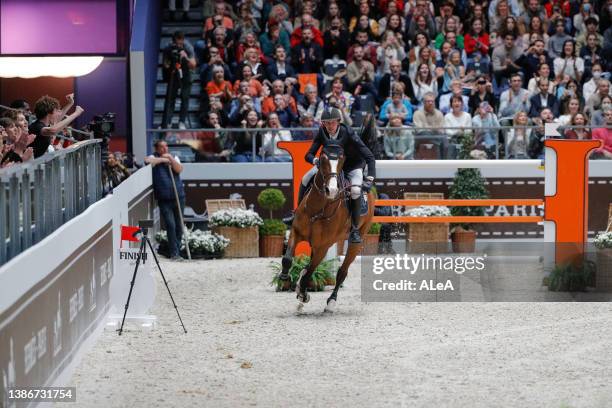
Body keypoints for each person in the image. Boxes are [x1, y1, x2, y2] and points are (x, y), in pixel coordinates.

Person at [284, 107, 376, 244]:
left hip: (352, 166)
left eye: (332, 123)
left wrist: (369, 178)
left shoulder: (348, 133)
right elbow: (308, 155)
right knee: (305, 178)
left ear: (339, 122)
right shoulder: (322, 132)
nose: (329, 126)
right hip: (330, 167)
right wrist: (315, 161)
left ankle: (355, 230)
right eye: (326, 123)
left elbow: (369, 155)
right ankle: (296, 213)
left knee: (356, 191)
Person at [145, 140, 185, 260]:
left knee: (179, 225)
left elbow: (179, 169)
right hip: (164, 198)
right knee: (170, 225)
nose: (165, 149)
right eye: (162, 147)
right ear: (157, 149)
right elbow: (148, 161)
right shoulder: (153, 157)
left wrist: (170, 159)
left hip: (179, 196)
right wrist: (163, 159)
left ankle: (176, 250)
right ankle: (174, 253)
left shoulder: (174, 157)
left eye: (166, 146)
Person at [161, 31, 196, 130]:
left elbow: (193, 65)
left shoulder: (188, 47)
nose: (179, 46)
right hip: (173, 74)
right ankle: (168, 122)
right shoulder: (168, 48)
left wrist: (186, 57)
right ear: (173, 42)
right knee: (170, 99)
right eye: (177, 44)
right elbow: (165, 64)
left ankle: (182, 122)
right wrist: (170, 63)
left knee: (184, 98)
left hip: (187, 74)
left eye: (181, 44)